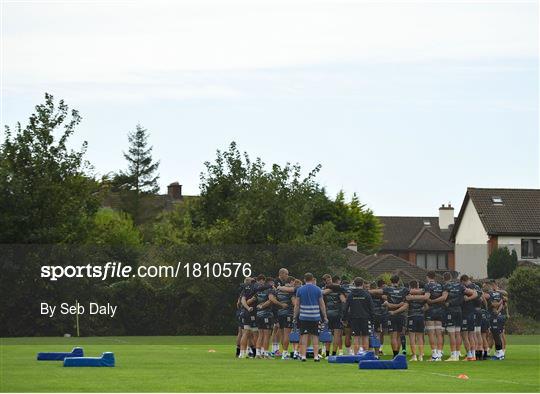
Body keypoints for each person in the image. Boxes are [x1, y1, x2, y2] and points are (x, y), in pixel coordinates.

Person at [371, 275, 409, 357]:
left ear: (391, 282)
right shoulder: (404, 290)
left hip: (391, 314)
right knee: (398, 336)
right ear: (398, 281)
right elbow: (413, 292)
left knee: (393, 336)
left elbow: (376, 291)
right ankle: (398, 355)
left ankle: (395, 355)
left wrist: (367, 290)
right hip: (401, 315)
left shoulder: (387, 289)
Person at [294, 272, 328, 362]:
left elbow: (297, 305)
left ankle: (303, 356)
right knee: (315, 336)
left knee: (304, 336)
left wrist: (295, 316)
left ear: (304, 280)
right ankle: (316, 356)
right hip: (315, 316)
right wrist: (324, 316)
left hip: (304, 316)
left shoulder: (300, 290)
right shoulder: (318, 289)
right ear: (313, 279)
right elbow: (322, 304)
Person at [441, 272, 475, 361]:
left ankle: (453, 355)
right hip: (459, 311)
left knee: (452, 334)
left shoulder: (446, 286)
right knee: (457, 333)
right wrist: (467, 298)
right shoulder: (460, 286)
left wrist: (434, 301)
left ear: (444, 279)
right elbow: (474, 293)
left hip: (451, 310)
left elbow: (444, 298)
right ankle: (457, 354)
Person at [342, 277, 374, 354]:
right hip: (365, 318)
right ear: (362, 284)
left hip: (354, 318)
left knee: (356, 337)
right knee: (365, 336)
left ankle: (356, 355)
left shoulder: (350, 295)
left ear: (354, 284)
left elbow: (345, 308)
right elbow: (371, 308)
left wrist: (344, 319)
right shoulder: (367, 294)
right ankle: (365, 354)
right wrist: (372, 319)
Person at [254, 276, 279, 358]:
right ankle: (265, 353)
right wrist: (281, 304)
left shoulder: (258, 291)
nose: (273, 284)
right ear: (269, 283)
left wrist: (259, 306)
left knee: (260, 334)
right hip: (266, 315)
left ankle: (258, 353)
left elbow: (251, 300)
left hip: (258, 315)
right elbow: (271, 300)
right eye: (272, 282)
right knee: (267, 335)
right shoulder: (270, 290)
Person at [322, 275, 346, 357]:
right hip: (334, 314)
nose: (329, 281)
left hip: (330, 314)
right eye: (328, 280)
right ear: (325, 281)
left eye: (330, 280)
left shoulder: (324, 290)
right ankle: (331, 354)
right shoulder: (339, 290)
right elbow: (344, 301)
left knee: (333, 334)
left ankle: (330, 354)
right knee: (334, 334)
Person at [406, 280, 428, 361]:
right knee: (420, 337)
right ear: (417, 286)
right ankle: (421, 356)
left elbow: (406, 305)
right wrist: (422, 310)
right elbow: (426, 307)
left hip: (412, 316)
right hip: (420, 317)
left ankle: (414, 356)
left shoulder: (409, 295)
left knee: (412, 337)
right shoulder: (422, 295)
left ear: (410, 287)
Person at [275, 276, 295, 359]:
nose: (294, 284)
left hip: (280, 314)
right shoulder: (290, 291)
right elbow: (294, 302)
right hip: (288, 314)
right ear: (291, 282)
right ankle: (285, 353)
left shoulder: (279, 290)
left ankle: (283, 351)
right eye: (293, 282)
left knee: (282, 334)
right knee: (287, 334)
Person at [461, 275, 480, 361]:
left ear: (463, 281)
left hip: (466, 313)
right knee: (472, 335)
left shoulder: (466, 287)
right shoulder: (476, 286)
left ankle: (469, 355)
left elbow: (475, 294)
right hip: (473, 312)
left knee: (465, 335)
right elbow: (480, 296)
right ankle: (473, 355)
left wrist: (468, 299)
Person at [369, 279, 388, 357]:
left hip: (380, 315)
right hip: (374, 315)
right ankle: (374, 350)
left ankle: (379, 350)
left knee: (379, 333)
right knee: (374, 333)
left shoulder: (382, 294)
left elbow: (386, 297)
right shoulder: (369, 294)